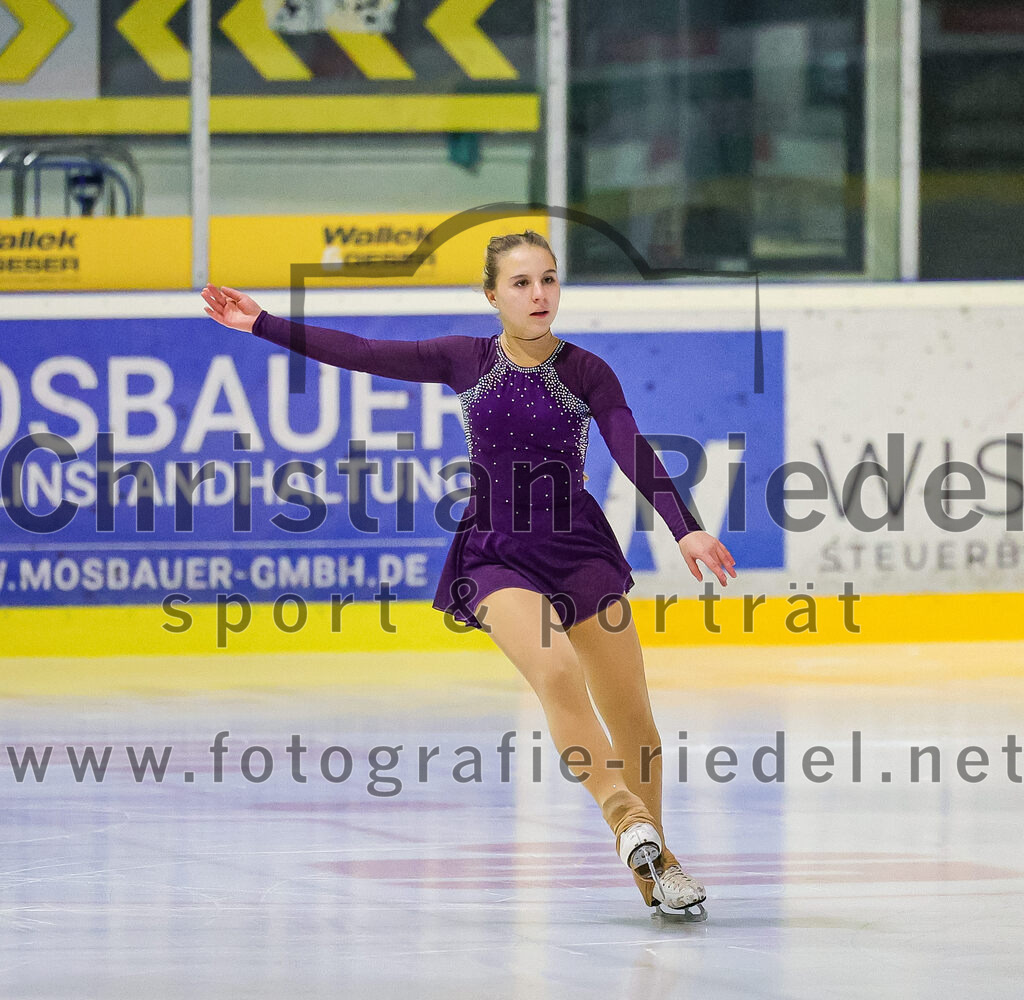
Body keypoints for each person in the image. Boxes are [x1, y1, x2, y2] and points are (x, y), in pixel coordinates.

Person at [201, 230, 736, 920]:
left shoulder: (588, 372)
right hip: (496, 553)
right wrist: (262, 323)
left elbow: (629, 445)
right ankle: (626, 817)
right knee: (555, 673)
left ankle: (656, 870)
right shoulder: (464, 360)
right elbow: (364, 353)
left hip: (578, 551)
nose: (538, 294)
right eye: (521, 283)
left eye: (548, 280)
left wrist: (683, 523)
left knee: (638, 726)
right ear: (492, 296)